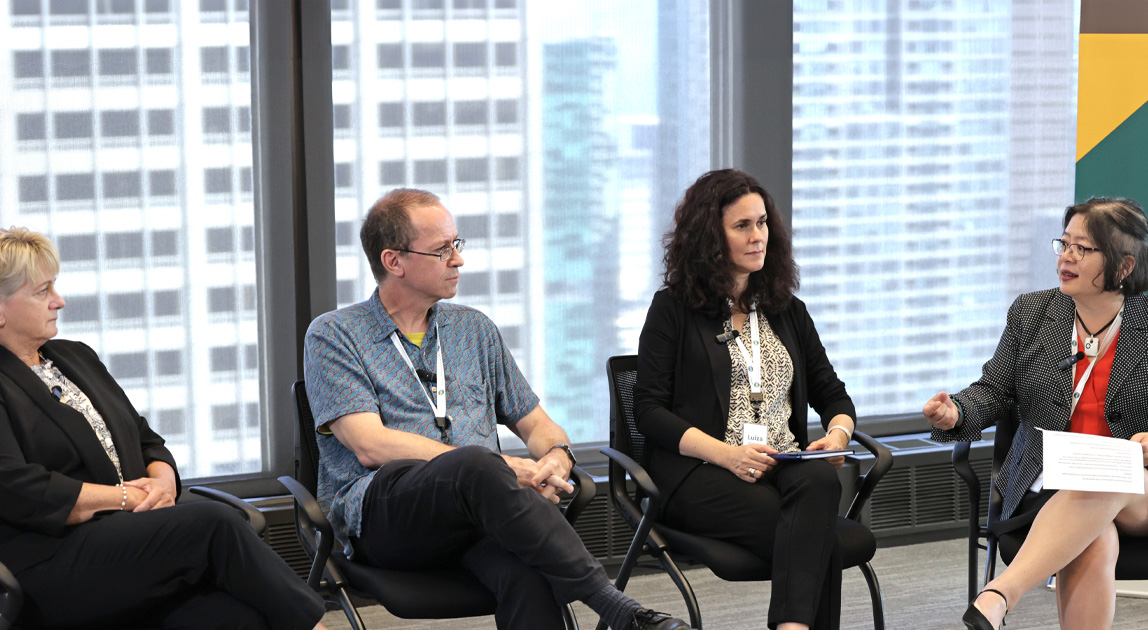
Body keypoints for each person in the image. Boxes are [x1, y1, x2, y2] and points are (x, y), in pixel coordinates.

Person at [303, 188, 689, 630]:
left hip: (479, 514)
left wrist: (555, 459)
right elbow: (370, 445)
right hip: (388, 519)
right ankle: (617, 608)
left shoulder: (474, 330)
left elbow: (538, 423)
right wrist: (504, 469)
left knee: (530, 575)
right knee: (475, 463)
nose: (459, 260)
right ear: (395, 262)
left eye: (457, 244)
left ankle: (621, 613)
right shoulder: (334, 335)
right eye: (442, 249)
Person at [0, 227, 327, 630]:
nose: (59, 301)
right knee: (214, 524)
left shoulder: (74, 357)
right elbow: (18, 487)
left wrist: (163, 483)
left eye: (56, 286)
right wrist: (126, 497)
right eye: (42, 291)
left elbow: (144, 438)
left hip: (131, 544)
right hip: (50, 562)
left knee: (242, 618)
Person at [924, 197, 1148, 630]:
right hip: (1047, 482)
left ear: (1124, 266)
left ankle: (999, 594)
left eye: (1083, 249)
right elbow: (993, 391)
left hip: (1143, 491)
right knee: (1094, 539)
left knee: (1105, 477)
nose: (1066, 257)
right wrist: (955, 413)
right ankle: (997, 599)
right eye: (1064, 243)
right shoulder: (1032, 314)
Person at [634, 169, 857, 630]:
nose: (758, 237)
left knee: (818, 479)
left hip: (781, 465)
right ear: (709, 238)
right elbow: (649, 412)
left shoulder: (787, 310)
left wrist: (836, 435)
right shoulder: (672, 310)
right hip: (701, 472)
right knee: (818, 539)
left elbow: (832, 392)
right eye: (742, 226)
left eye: (762, 223)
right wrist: (728, 456)